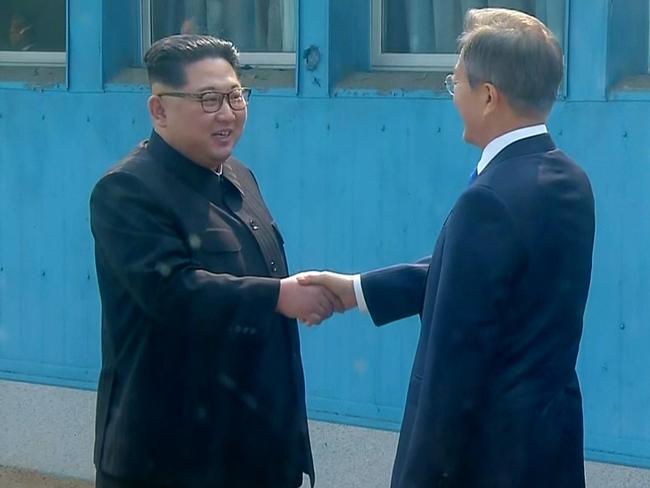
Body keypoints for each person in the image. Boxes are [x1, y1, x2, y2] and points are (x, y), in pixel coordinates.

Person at [300, 8, 595, 488]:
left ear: (487, 96)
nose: (452, 95)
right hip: (547, 448)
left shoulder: (489, 198)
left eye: (454, 83)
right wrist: (359, 289)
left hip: (487, 460)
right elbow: (476, 274)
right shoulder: (565, 178)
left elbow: (449, 373)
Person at [90, 34, 341, 488]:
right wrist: (278, 296)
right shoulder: (126, 191)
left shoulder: (239, 175)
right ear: (159, 110)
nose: (227, 113)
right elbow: (171, 293)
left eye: (235, 96)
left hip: (256, 453)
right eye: (208, 99)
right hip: (170, 462)